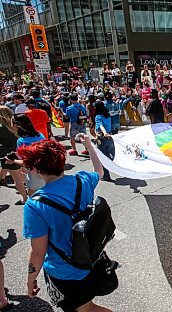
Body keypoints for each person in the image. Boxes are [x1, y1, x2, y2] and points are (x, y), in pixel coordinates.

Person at [19, 137, 111, 312]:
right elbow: (99, 170)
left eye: (29, 168)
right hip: (89, 257)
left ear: (38, 169)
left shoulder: (35, 205)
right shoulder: (82, 181)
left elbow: (38, 251)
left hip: (64, 270)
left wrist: (30, 280)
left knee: (86, 309)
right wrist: (89, 146)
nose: (26, 172)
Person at [0, 106, 28, 205]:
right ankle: (30, 189)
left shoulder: (2, 127)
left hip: (7, 154)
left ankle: (25, 198)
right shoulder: (16, 125)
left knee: (17, 179)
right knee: (22, 172)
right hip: (19, 151)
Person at [94, 101, 115, 182]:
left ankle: (105, 175)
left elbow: (101, 126)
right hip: (109, 137)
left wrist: (104, 132)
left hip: (102, 137)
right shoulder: (108, 115)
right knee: (107, 156)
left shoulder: (98, 116)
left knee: (102, 157)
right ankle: (106, 174)